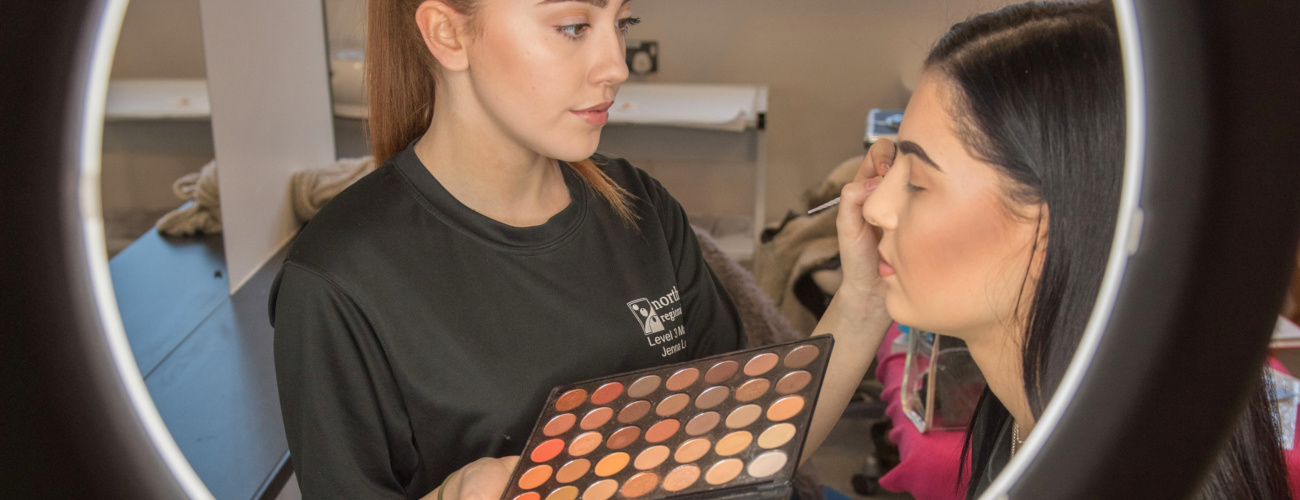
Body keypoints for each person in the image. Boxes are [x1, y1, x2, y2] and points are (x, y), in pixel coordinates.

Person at [806, 2, 1293, 499]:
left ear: (1056, 224)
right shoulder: (1031, 411)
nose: (873, 207)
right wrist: (865, 295)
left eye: (918, 182)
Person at [267, 0, 747, 498]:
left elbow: (744, 441)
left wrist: (840, 309)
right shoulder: (336, 281)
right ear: (448, 34)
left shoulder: (638, 204)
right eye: (573, 26)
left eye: (622, 23)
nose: (617, 67)